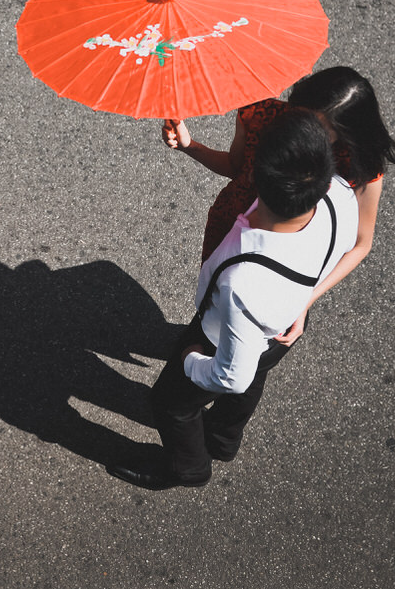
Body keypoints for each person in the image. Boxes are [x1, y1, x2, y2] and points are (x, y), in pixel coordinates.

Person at [109, 108, 359, 489]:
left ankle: (188, 468)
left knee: (171, 403)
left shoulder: (245, 280)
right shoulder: (341, 196)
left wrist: (191, 358)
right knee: (258, 367)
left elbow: (231, 375)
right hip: (284, 325)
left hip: (220, 331)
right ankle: (223, 441)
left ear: (257, 177)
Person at [162, 66, 395, 343]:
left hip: (282, 260)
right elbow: (235, 166)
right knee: (214, 300)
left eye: (320, 129)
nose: (303, 130)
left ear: (345, 131)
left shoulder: (361, 165)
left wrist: (305, 299)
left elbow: (362, 242)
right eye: (300, 115)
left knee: (246, 330)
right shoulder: (260, 113)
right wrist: (189, 145)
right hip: (228, 230)